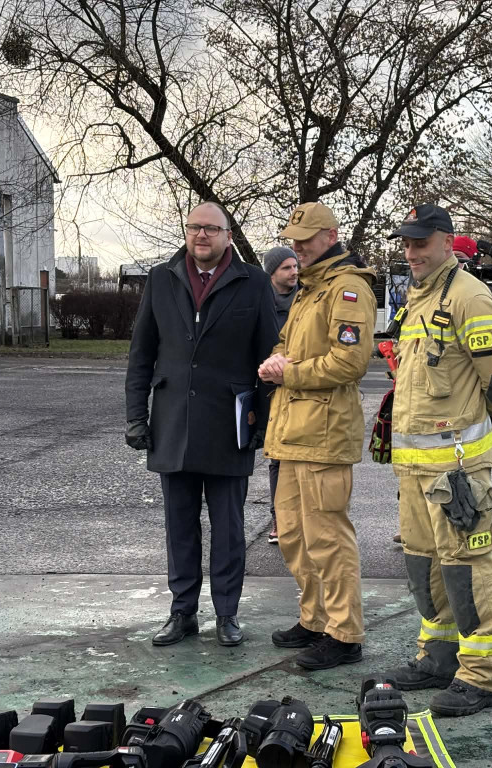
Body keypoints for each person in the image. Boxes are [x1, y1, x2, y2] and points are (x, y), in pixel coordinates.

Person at [383, 203, 492, 718]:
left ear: (446, 241)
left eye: (421, 242)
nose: (411, 252)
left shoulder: (468, 295)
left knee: (467, 567)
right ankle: (438, 657)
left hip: (457, 469)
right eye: (407, 243)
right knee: (424, 563)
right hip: (414, 468)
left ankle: (481, 676)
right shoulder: (417, 298)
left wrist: (481, 415)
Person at [125, 201, 279, 647]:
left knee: (229, 530)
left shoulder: (253, 282)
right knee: (179, 527)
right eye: (194, 227)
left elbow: (268, 357)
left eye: (211, 228)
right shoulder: (161, 279)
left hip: (230, 426)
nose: (202, 235)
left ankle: (227, 614)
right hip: (172, 425)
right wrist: (136, 416)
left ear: (228, 236)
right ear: (187, 232)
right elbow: (141, 354)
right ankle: (182, 612)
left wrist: (264, 421)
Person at [259, 201, 375, 670]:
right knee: (292, 533)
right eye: (294, 240)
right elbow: (289, 344)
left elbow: (350, 362)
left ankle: (344, 635)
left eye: (306, 239)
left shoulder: (348, 288)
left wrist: (289, 373)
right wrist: (276, 358)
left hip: (325, 434)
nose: (299, 247)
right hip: (293, 431)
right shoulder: (310, 288)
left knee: (327, 537)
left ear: (331, 236)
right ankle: (315, 618)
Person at [262, 246, 299, 545]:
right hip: (269, 386)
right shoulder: (260, 301)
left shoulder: (306, 299)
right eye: (287, 267)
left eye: (295, 266)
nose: (294, 272)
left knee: (300, 455)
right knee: (277, 457)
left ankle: (302, 518)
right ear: (272, 273)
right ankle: (279, 519)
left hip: (300, 383)